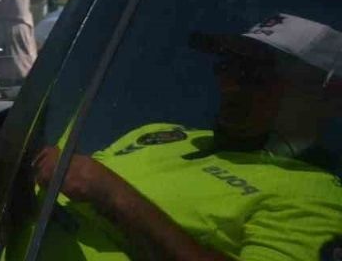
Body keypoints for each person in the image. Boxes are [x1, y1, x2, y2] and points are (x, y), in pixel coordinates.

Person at [28, 13, 342, 261]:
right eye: (227, 68)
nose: (230, 85)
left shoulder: (314, 194)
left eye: (254, 75)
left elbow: (96, 183)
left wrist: (114, 196)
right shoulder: (164, 133)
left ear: (327, 98)